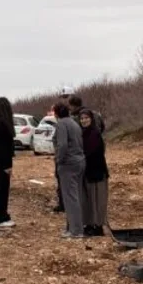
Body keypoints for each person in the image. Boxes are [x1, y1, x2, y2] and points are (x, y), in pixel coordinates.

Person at [53, 102, 86, 238]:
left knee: (70, 198)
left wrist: (58, 160)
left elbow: (62, 145)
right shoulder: (74, 123)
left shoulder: (61, 124)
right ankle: (71, 227)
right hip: (79, 162)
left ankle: (76, 230)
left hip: (68, 164)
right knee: (75, 196)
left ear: (56, 113)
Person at [80, 109, 109, 237]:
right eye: (81, 119)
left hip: (97, 172)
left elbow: (93, 153)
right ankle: (90, 224)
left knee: (98, 199)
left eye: (86, 118)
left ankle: (98, 226)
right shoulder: (83, 133)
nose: (84, 121)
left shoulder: (95, 133)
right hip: (87, 172)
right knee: (89, 200)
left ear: (91, 119)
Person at [0, 96, 17, 228]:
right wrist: (8, 165)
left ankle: (1, 215)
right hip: (3, 158)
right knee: (2, 188)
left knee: (2, 187)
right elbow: (5, 145)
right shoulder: (2, 123)